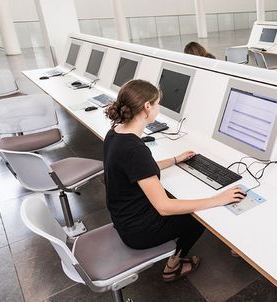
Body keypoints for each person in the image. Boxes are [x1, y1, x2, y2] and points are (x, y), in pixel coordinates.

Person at [103, 80, 245, 282]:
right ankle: (173, 266)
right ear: (147, 107)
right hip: (136, 231)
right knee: (197, 217)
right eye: (157, 103)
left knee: (183, 200)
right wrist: (217, 199)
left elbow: (138, 170)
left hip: (122, 217)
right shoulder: (135, 150)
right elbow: (163, 207)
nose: (158, 108)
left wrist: (176, 159)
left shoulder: (115, 133)